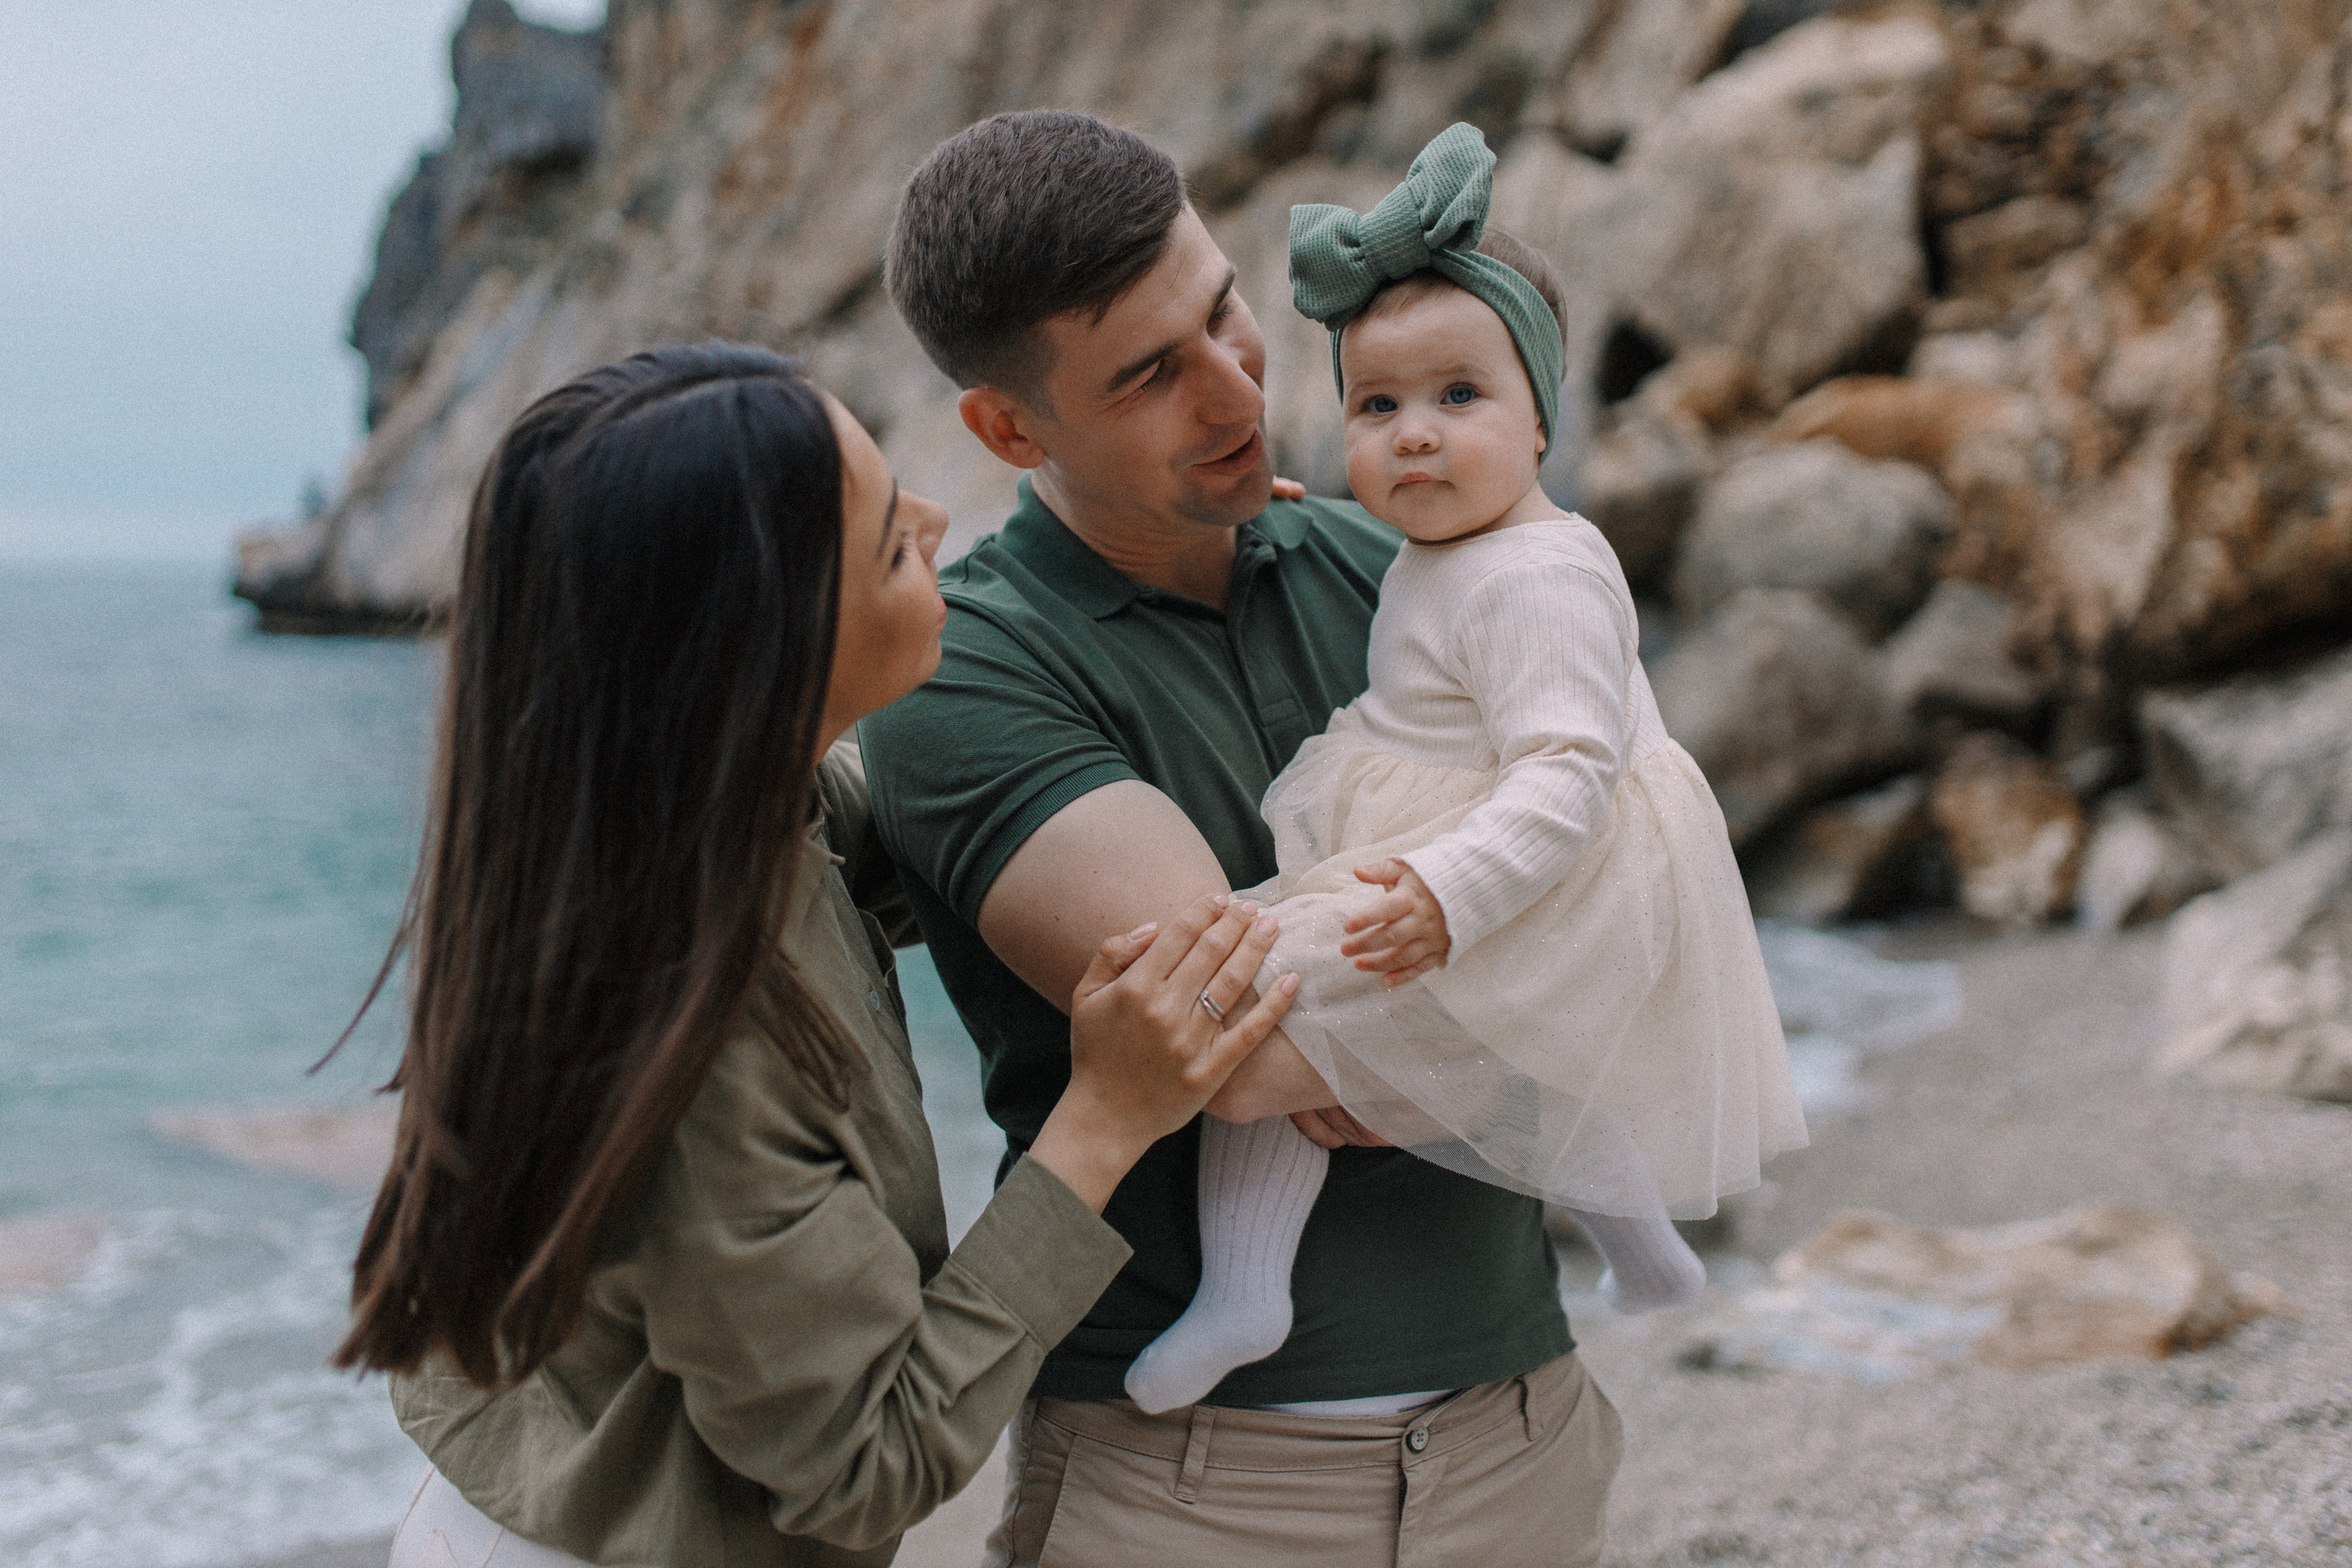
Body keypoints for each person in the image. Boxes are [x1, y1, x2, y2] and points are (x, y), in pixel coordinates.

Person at [331, 343, 1301, 1568]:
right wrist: (1103, 1120)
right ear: (766, 657)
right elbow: (868, 1462)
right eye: (895, 541)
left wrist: (1178, 561)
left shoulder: (672, 818)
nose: (943, 521)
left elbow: (948, 827)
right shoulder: (680, 1034)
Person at [861, 111, 1621, 1566]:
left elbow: (1643, 873)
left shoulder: (1401, 568)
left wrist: (1489, 1012)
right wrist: (1531, 1005)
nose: (1234, 393)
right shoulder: (967, 670)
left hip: (1525, 1439)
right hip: (1193, 1494)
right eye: (1152, 373)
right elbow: (1247, 1045)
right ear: (1011, 431)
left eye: (1224, 313)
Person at [1124, 124, 1810, 1415]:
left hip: (1503, 869)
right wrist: (1277, 507)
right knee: (1533, 1054)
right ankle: (1646, 1251)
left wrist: (1451, 896)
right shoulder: (1465, 545)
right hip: (1480, 858)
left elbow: (1563, 772)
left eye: (1459, 399)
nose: (1416, 438)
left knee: (1257, 990)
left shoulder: (1539, 577)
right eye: (1378, 409)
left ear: (1543, 416)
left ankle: (1244, 1292)